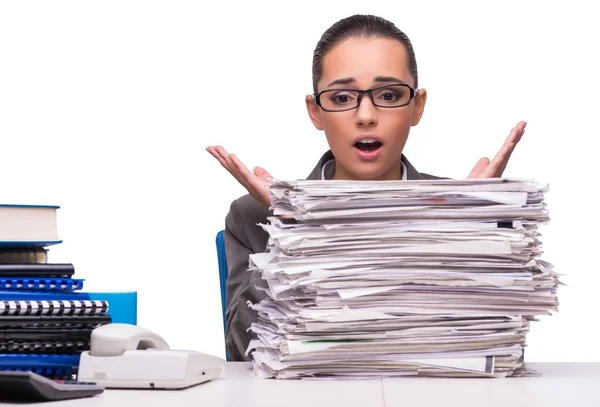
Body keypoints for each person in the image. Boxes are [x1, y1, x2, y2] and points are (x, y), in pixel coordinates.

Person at [206, 14, 526, 361]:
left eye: (388, 94)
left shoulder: (467, 211)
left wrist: (461, 230)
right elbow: (242, 355)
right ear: (316, 112)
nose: (366, 115)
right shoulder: (253, 214)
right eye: (342, 98)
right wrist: (295, 233)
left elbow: (503, 356)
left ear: (417, 106)